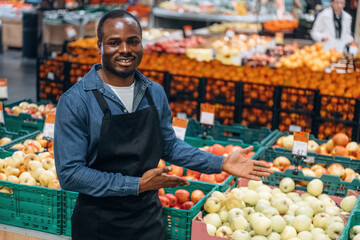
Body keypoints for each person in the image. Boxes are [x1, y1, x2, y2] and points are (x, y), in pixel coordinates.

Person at [54, 10, 271, 240]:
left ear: (141, 44)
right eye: (114, 43)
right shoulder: (76, 101)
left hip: (148, 222)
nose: (125, 50)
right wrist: (136, 185)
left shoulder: (154, 92)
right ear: (99, 46)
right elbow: (70, 174)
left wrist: (221, 162)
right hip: (98, 226)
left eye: (133, 41)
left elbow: (169, 146)